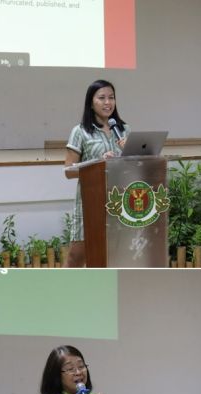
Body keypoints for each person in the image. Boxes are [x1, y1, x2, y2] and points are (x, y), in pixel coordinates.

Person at [63, 80, 131, 267]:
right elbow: (68, 171)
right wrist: (99, 163)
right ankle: (60, 293)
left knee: (112, 257)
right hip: (90, 200)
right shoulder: (80, 132)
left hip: (119, 200)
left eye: (111, 98)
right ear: (91, 103)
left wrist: (130, 154)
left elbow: (135, 168)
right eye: (101, 98)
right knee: (77, 256)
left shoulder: (124, 130)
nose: (107, 102)